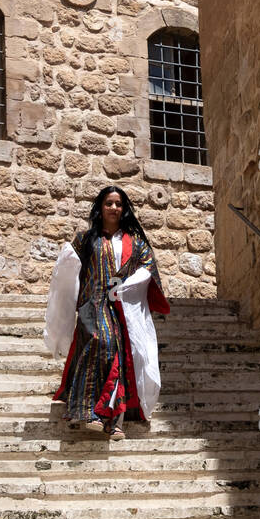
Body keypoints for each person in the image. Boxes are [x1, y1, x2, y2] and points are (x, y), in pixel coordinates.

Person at [43, 186, 170, 437]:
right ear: (100, 207)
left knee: (120, 353)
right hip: (92, 304)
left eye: (119, 204)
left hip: (123, 308)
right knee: (101, 341)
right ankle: (91, 411)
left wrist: (132, 284)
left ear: (124, 209)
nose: (114, 208)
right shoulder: (86, 239)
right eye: (109, 203)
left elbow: (148, 267)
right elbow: (70, 270)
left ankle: (114, 419)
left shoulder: (136, 243)